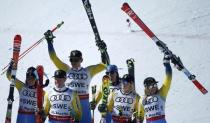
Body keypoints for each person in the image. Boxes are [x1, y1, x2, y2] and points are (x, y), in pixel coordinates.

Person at [44, 30, 110, 123]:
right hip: (71, 103)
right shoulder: (66, 69)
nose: (74, 62)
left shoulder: (88, 71)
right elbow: (54, 58)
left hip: (84, 103)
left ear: (81, 60)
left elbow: (105, 65)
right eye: (71, 60)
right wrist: (49, 42)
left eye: (76, 60)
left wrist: (103, 51)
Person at [137, 53, 172, 123]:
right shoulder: (142, 100)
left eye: (155, 85)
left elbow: (168, 78)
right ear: (146, 88)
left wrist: (167, 64)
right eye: (151, 86)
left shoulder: (161, 93)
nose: (154, 87)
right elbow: (140, 116)